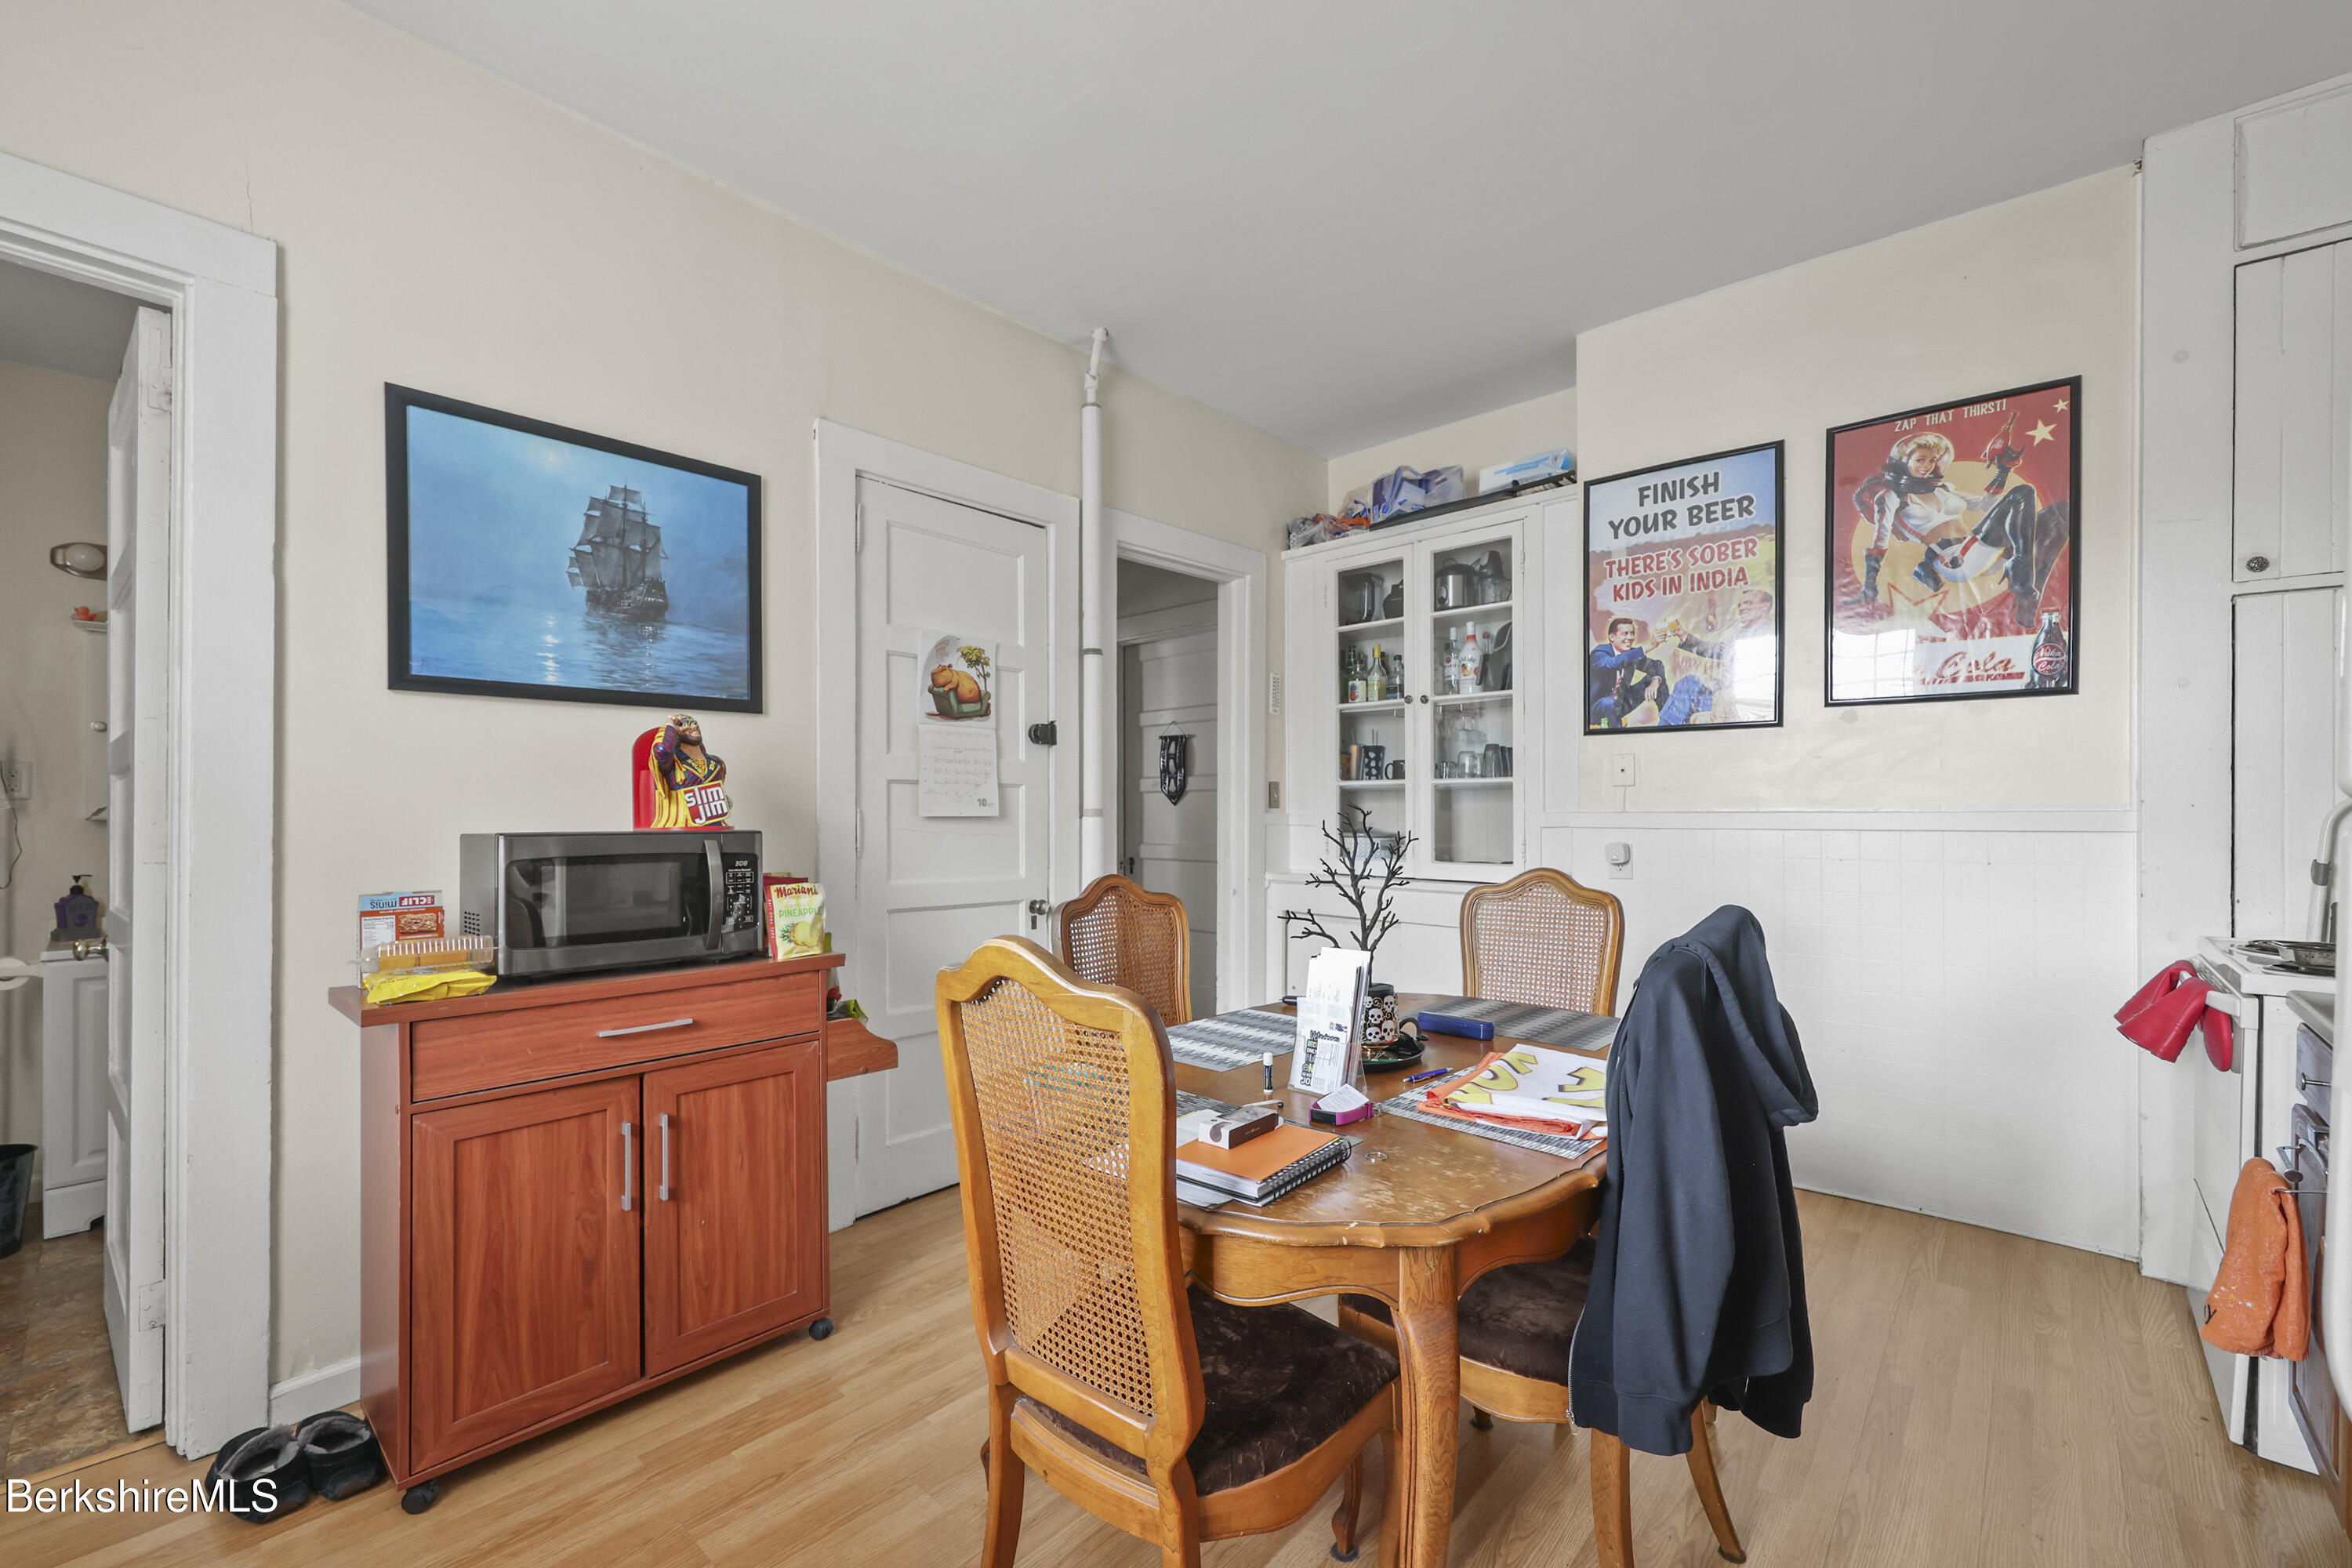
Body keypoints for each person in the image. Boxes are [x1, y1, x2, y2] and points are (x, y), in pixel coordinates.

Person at [1848, 425, 2067, 629]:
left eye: (1932, 461)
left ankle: (2027, 599)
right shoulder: (1891, 497)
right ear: (1902, 463)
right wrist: (1869, 584)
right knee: (2023, 492)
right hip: (1955, 559)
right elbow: (1881, 539)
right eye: (1921, 460)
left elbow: (1985, 505)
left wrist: (2003, 471)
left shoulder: (1943, 489)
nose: (1928, 467)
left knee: (2060, 513)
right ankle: (2021, 574)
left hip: (1981, 547)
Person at [645, 713, 730, 829]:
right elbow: (662, 750)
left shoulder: (718, 763)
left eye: (695, 724)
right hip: (680, 830)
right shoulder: (673, 764)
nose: (693, 727)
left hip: (716, 830)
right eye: (687, 724)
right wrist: (670, 725)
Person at [1588, 617, 1666, 728]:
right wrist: (1651, 646)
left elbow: (1656, 665)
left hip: (1620, 704)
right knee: (1608, 703)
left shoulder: (1631, 654)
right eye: (1625, 634)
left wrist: (1655, 681)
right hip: (1595, 711)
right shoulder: (1600, 652)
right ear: (1612, 637)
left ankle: (1667, 721)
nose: (1630, 638)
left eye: (1632, 634)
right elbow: (1612, 663)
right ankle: (1618, 734)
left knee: (1657, 678)